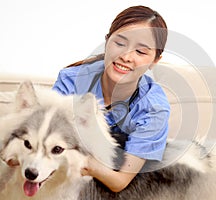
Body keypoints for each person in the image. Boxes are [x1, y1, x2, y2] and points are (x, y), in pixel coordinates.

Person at [52, 5, 170, 192]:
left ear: (155, 60)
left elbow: (119, 181)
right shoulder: (71, 80)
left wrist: (85, 162)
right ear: (107, 42)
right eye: (120, 43)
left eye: (141, 52)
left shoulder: (154, 108)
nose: (126, 56)